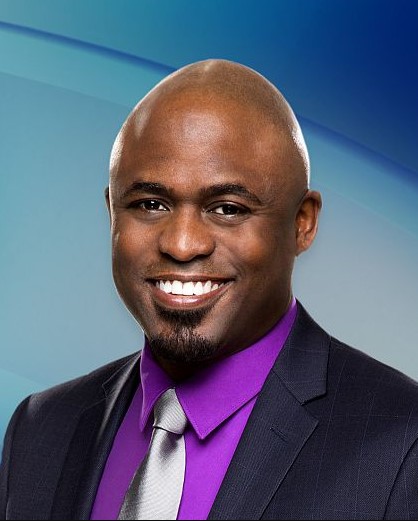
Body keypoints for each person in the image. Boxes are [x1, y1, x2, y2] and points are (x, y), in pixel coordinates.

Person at [1, 59, 418, 521]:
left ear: (302, 223)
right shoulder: (40, 429)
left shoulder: (403, 443)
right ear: (112, 212)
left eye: (227, 209)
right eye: (151, 204)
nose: (182, 245)